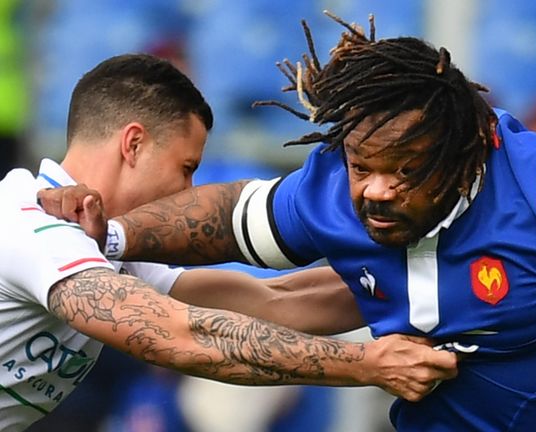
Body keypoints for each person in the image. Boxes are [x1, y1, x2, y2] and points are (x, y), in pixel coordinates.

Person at [40, 14, 536, 432]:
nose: (376, 191)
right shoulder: (331, 190)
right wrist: (111, 233)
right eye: (361, 166)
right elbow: (228, 215)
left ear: (466, 151)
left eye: (405, 169)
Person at [0, 53, 458, 432]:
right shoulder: (34, 229)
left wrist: (430, 280)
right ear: (133, 144)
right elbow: (179, 336)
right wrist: (364, 364)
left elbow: (273, 300)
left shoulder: (98, 243)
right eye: (186, 167)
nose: (188, 193)